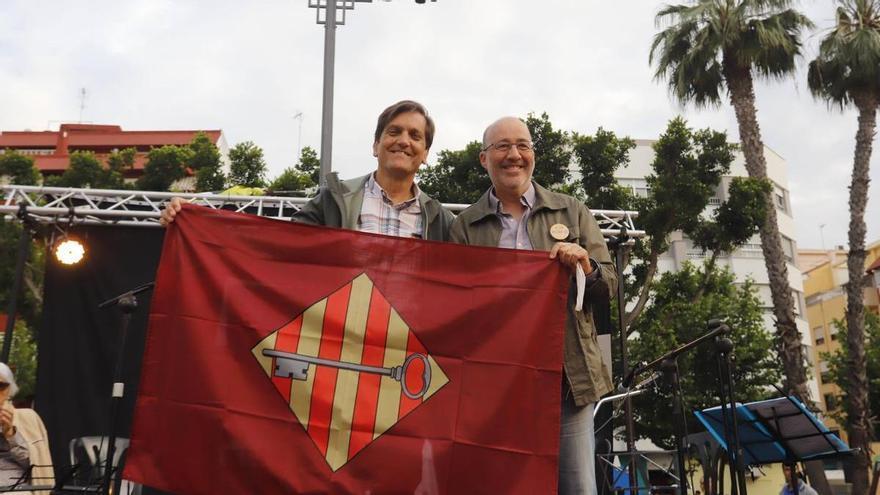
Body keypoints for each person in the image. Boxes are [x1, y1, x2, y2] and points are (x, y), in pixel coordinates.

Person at [449, 116, 616, 495]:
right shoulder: (464, 227)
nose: (514, 155)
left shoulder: (572, 211)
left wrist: (586, 267)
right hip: (494, 385)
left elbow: (608, 287)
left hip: (566, 379)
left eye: (522, 145)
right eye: (502, 147)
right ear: (483, 159)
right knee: (503, 485)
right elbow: (456, 306)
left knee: (577, 487)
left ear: (533, 155)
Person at [161, 100, 454, 241]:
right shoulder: (332, 201)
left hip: (406, 345)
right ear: (376, 145)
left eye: (415, 136)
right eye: (394, 132)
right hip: (339, 336)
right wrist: (194, 219)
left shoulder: (441, 221)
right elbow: (273, 240)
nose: (403, 141)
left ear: (425, 154)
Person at [0, 363, 54, 494]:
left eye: (1, 386)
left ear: (9, 390)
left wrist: (10, 434)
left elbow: (34, 465)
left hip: (14, 487)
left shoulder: (27, 418)